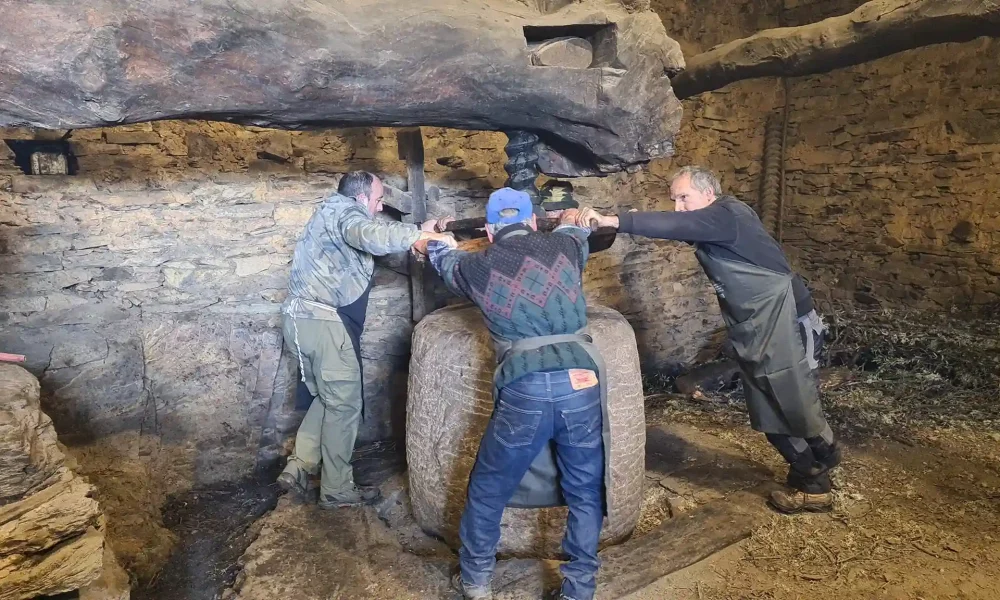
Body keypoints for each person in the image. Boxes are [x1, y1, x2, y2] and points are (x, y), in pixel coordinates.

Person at [577, 166, 840, 514]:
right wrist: (637, 221)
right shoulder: (713, 225)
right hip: (760, 326)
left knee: (792, 400)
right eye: (674, 200)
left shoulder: (727, 216)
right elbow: (676, 228)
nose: (678, 208)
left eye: (684, 198)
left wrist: (614, 220)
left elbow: (679, 225)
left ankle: (819, 479)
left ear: (709, 194)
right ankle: (808, 470)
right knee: (766, 403)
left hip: (788, 322)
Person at [426, 188, 608, 600]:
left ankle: (475, 582)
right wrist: (571, 218)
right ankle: (579, 589)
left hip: (527, 386)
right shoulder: (565, 246)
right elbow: (577, 230)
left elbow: (440, 256)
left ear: (490, 230)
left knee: (489, 489)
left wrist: (433, 236)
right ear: (530, 221)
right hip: (581, 380)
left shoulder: (477, 267)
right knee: (584, 490)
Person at [277, 170, 455, 509]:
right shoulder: (347, 214)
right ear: (361, 198)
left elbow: (371, 239)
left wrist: (420, 231)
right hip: (323, 321)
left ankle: (298, 467)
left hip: (302, 320)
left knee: (328, 398)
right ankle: (337, 490)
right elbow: (368, 233)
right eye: (377, 198)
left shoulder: (328, 211)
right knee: (345, 405)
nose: (380, 204)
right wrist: (416, 236)